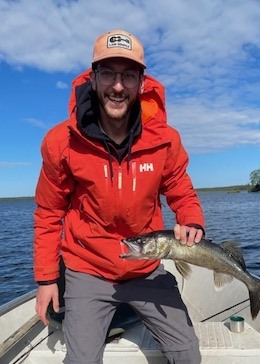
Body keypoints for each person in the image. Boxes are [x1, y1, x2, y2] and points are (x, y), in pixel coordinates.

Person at [34, 29, 205, 364]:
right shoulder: (61, 142)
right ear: (93, 78)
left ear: (141, 83)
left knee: (187, 355)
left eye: (128, 75)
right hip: (88, 270)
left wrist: (191, 218)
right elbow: (48, 213)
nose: (117, 86)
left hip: (147, 269)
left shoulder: (165, 140)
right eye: (108, 73)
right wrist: (46, 279)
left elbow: (181, 190)